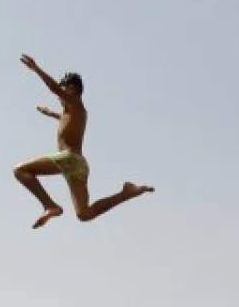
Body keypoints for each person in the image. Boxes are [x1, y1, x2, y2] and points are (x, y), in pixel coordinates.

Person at [13, 54, 154, 229]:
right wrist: (50, 113)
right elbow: (65, 119)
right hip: (79, 165)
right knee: (84, 214)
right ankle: (127, 193)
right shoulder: (72, 112)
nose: (60, 96)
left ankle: (50, 205)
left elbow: (54, 88)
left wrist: (36, 69)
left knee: (20, 171)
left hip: (70, 159)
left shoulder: (75, 103)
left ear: (73, 89)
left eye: (64, 90)